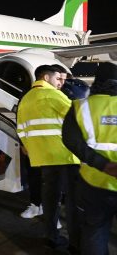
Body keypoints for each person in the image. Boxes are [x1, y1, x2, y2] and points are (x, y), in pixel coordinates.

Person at [17, 64, 79, 250]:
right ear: (46, 77)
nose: (60, 83)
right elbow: (79, 117)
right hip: (65, 155)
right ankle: (76, 243)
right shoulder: (53, 95)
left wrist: (32, 149)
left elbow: (21, 129)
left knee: (50, 198)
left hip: (43, 158)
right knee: (73, 201)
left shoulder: (26, 99)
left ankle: (51, 236)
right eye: (57, 78)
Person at [63, 62, 117, 255]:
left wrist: (103, 165)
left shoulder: (80, 106)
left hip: (94, 181)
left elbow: (71, 141)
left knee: (95, 230)